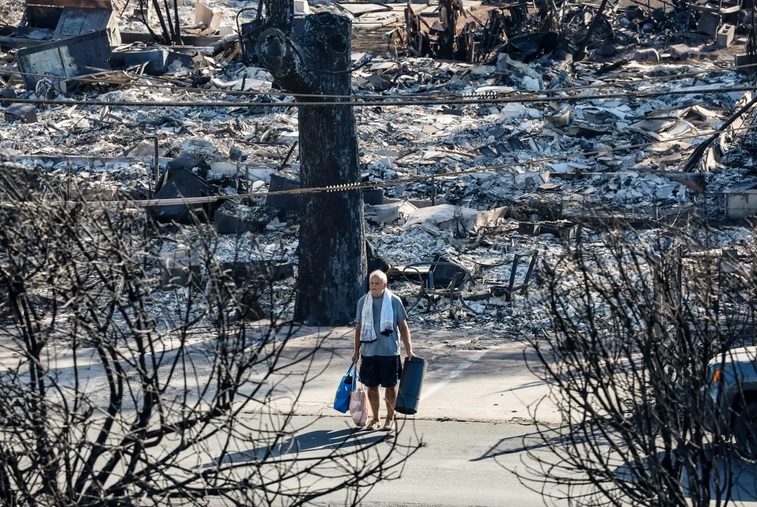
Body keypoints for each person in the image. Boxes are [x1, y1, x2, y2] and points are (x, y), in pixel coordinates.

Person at [352, 269, 413, 431]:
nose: (373, 286)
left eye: (377, 283)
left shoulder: (394, 301)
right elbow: (358, 328)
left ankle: (390, 418)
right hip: (369, 352)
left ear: (384, 285)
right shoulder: (362, 302)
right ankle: (375, 419)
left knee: (391, 387)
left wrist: (409, 350)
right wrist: (356, 351)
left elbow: (403, 326)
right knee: (371, 387)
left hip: (390, 352)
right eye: (371, 283)